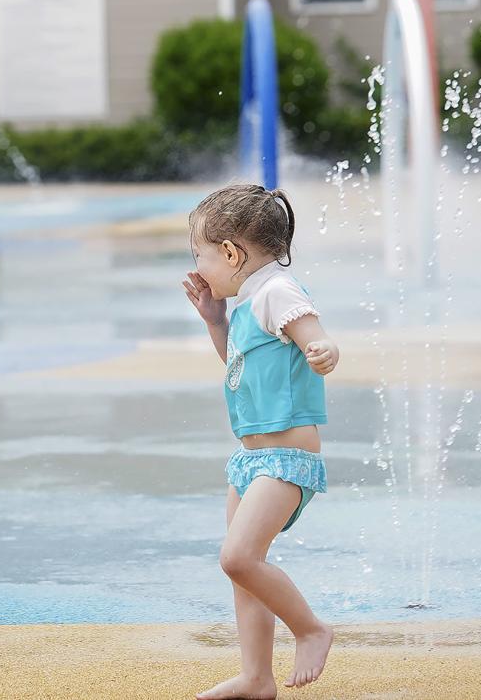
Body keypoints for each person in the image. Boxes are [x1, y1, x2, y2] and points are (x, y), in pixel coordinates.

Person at [181, 184, 337, 699]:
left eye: (199, 254)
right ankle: (256, 678)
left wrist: (320, 347)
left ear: (230, 253)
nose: (197, 266)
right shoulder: (248, 302)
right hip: (250, 461)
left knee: (238, 558)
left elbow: (311, 330)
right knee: (244, 573)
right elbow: (237, 365)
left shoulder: (275, 292)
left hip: (286, 459)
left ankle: (311, 628)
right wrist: (215, 322)